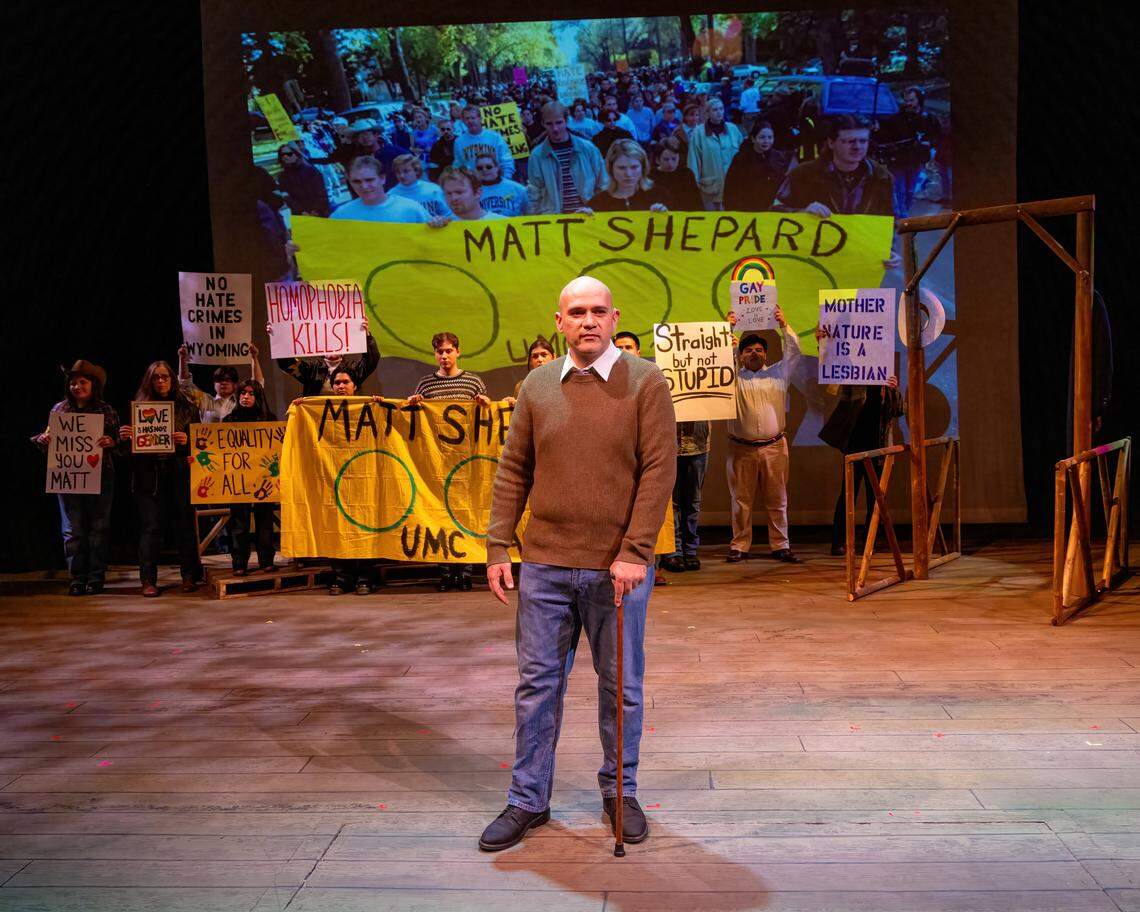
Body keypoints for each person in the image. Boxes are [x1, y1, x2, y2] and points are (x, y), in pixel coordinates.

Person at [480, 276, 676, 852]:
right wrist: (498, 544)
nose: (588, 321)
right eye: (576, 312)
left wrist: (635, 551)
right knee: (536, 686)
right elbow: (514, 469)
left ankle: (620, 792)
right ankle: (527, 799)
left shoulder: (646, 383)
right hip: (543, 565)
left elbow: (659, 471)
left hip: (618, 569)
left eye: (598, 312)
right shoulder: (538, 385)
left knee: (621, 687)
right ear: (559, 321)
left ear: (614, 319)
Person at [407, 332, 491, 592]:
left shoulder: (473, 382)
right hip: (436, 465)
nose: (444, 356)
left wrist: (485, 403)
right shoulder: (425, 385)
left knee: (464, 514)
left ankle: (464, 572)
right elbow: (415, 421)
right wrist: (413, 404)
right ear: (435, 355)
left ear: (458, 352)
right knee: (439, 515)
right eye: (439, 352)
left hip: (466, 464)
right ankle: (445, 572)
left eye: (448, 351)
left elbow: (486, 415)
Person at [33, 360, 119, 596]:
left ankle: (96, 577)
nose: (77, 386)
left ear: (93, 385)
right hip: (68, 478)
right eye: (73, 382)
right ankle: (77, 577)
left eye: (82, 382)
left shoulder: (106, 410)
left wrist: (111, 442)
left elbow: (119, 442)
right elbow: (48, 439)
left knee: (98, 529)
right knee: (72, 530)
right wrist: (43, 440)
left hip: (101, 477)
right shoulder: (59, 410)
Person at [118, 360, 203, 596]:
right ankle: (148, 580)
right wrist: (126, 438)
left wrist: (188, 442)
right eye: (156, 377)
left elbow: (202, 444)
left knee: (184, 526)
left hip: (178, 472)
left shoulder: (187, 406)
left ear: (172, 379)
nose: (161, 381)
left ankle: (189, 575)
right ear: (149, 380)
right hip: (148, 475)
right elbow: (125, 453)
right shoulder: (139, 407)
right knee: (150, 528)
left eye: (165, 377)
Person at [724, 308, 802, 564]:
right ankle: (739, 546)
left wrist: (783, 324)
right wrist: (729, 329)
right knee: (740, 502)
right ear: (740, 355)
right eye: (748, 350)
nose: (754, 353)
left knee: (777, 499)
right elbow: (719, 359)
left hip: (774, 447)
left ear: (766, 354)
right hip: (741, 449)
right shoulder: (731, 378)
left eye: (759, 349)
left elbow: (795, 352)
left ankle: (781, 545)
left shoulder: (779, 374)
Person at [816, 329, 904, 554]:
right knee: (848, 496)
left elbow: (899, 410)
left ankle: (869, 541)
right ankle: (839, 542)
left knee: (875, 497)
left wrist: (894, 390)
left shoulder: (886, 378)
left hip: (879, 444)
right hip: (855, 444)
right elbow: (831, 376)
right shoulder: (853, 376)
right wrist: (824, 343)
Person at [310, 367, 376, 595]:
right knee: (337, 528)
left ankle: (365, 577)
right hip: (334, 479)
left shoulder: (369, 407)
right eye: (336, 382)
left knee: (364, 526)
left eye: (345, 382)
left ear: (355, 385)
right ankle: (342, 577)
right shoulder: (319, 409)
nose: (340, 386)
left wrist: (380, 406)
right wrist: (300, 409)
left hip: (362, 480)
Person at [773, 114, 893, 217]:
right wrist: (802, 212)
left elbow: (893, 220)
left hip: (863, 242)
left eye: (863, 141)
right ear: (831, 143)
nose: (857, 147)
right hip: (818, 242)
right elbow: (775, 210)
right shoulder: (802, 174)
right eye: (850, 141)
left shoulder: (881, 177)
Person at [222, 380, 277, 576]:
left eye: (251, 393)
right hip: (239, 479)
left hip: (264, 478)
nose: (246, 397)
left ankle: (266, 560)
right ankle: (239, 563)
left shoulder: (270, 420)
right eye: (243, 393)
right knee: (238, 521)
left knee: (265, 519)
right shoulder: (229, 421)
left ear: (258, 397)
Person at [527, 102, 607, 215]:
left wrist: (597, 209)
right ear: (543, 124)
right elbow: (534, 193)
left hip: (588, 216)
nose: (555, 128)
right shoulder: (537, 155)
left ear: (567, 121)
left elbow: (603, 183)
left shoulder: (588, 148)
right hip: (555, 221)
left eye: (559, 122)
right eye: (549, 124)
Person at [876, 86, 942, 218]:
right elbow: (884, 135)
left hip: (916, 158)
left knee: (911, 190)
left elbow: (936, 135)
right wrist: (877, 129)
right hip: (898, 159)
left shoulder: (928, 118)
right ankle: (901, 216)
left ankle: (904, 212)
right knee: (899, 189)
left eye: (911, 100)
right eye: (906, 100)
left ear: (918, 99)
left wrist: (929, 143)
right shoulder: (896, 118)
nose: (908, 103)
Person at [273, 320, 379, 396]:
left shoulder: (352, 369)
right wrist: (278, 336)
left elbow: (372, 359)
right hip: (318, 421)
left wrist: (366, 335)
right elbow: (286, 363)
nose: (332, 347)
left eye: (336, 342)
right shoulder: (311, 369)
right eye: (328, 343)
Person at [177, 342, 265, 424]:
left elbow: (257, 386)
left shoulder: (241, 401)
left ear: (235, 384)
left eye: (227, 380)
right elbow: (185, 384)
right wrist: (182, 358)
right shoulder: (205, 400)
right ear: (214, 384)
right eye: (219, 379)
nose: (223, 382)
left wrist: (254, 357)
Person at [330, 156, 429, 223]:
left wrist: (439, 223)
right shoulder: (341, 215)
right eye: (356, 181)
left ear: (382, 179)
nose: (364, 186)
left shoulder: (411, 209)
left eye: (369, 180)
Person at [581, 140, 671, 213]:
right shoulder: (597, 204)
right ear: (611, 169)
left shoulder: (660, 196)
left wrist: (667, 216)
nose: (628, 174)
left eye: (634, 167)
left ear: (643, 167)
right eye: (621, 168)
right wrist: (582, 221)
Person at [687, 96, 743, 211]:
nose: (719, 112)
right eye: (715, 109)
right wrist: (694, 184)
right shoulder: (698, 133)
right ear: (707, 112)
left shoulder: (733, 129)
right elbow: (693, 160)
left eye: (721, 109)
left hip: (732, 186)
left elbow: (743, 156)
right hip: (709, 187)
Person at [723, 120, 792, 212]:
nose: (766, 141)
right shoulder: (741, 159)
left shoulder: (779, 158)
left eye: (770, 137)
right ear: (753, 139)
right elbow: (730, 187)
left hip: (770, 211)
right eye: (762, 137)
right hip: (746, 210)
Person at [452, 105, 516, 179]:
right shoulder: (459, 142)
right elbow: (458, 165)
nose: (470, 121)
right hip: (474, 185)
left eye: (473, 118)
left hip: (496, 181)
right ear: (463, 121)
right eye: (467, 118)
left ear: (480, 119)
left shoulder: (495, 137)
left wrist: (505, 179)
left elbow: (506, 161)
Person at [348, 119, 409, 190]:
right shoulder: (357, 160)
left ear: (376, 135)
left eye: (368, 133)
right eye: (360, 135)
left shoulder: (395, 151)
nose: (365, 137)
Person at [275, 141, 331, 217]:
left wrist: (316, 210)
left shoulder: (311, 171)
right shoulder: (282, 176)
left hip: (320, 213)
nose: (285, 157)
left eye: (289, 154)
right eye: (282, 154)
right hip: (300, 215)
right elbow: (287, 197)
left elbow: (321, 193)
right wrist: (301, 212)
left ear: (297, 154)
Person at [387, 153, 451, 218]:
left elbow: (449, 214)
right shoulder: (391, 195)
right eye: (398, 172)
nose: (401, 176)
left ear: (416, 171)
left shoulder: (434, 190)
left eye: (406, 171)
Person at [651, 136, 702, 212]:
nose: (670, 164)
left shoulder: (687, 174)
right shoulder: (651, 176)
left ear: (679, 157)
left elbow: (696, 201)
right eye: (666, 159)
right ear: (658, 160)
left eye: (674, 159)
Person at [438, 166, 506, 221]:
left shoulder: (501, 223)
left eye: (459, 192)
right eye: (448, 193)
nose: (453, 198)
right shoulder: (443, 226)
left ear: (477, 193)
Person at [506, 336, 555, 406]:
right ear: (531, 361)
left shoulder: (563, 382)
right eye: (535, 356)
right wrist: (509, 404)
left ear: (554, 357)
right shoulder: (522, 386)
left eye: (544, 355)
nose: (540, 360)